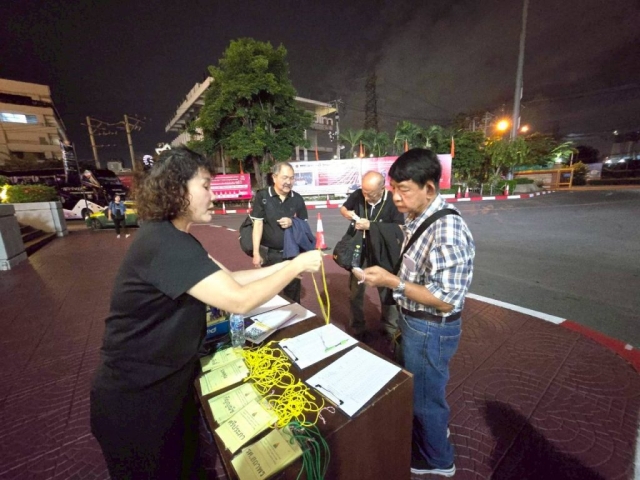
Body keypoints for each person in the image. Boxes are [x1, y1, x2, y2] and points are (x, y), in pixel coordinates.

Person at [90, 147, 322, 480]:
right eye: (205, 186)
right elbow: (239, 299)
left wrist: (288, 263)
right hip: (137, 400)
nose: (214, 195)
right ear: (176, 189)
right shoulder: (164, 243)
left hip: (167, 385)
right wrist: (296, 266)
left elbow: (230, 279)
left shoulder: (176, 238)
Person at [357, 149, 475, 477]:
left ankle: (437, 460)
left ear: (429, 188)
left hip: (431, 327)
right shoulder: (417, 215)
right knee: (422, 391)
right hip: (417, 322)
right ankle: (432, 435)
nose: (396, 196)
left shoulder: (447, 230)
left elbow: (446, 300)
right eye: (393, 188)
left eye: (404, 189)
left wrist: (392, 281)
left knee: (425, 398)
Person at [339, 170, 404, 341]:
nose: (366, 196)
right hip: (360, 251)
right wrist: (348, 214)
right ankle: (357, 328)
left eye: (371, 194)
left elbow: (399, 229)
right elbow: (344, 208)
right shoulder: (358, 194)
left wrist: (371, 226)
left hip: (383, 253)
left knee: (387, 291)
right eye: (364, 191)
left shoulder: (393, 200)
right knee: (356, 292)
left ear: (382, 189)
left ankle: (390, 328)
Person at [250, 162, 309, 303]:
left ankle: (294, 316)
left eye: (292, 178)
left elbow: (304, 226)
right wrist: (256, 253)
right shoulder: (263, 196)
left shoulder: (297, 199)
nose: (289, 182)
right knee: (268, 293)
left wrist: (292, 222)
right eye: (285, 177)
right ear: (274, 177)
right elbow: (258, 224)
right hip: (269, 254)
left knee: (293, 292)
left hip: (291, 254)